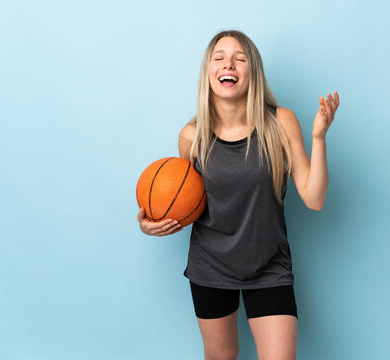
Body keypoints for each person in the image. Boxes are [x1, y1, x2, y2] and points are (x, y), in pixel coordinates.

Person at [137, 29, 339, 360]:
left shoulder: (280, 122)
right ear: (209, 72)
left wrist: (319, 138)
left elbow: (314, 199)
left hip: (269, 266)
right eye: (219, 58)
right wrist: (151, 221)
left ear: (252, 72)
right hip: (210, 266)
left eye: (239, 58)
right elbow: (183, 202)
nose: (228, 64)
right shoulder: (192, 137)